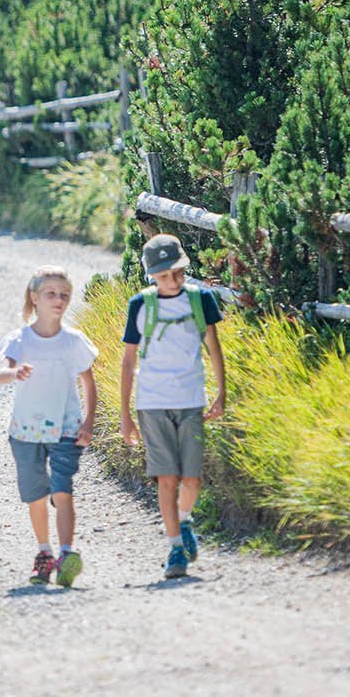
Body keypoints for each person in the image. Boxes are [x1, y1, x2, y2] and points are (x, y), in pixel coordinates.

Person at [118, 233, 227, 580]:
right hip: (152, 403)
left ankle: (185, 520)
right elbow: (127, 360)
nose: (173, 281)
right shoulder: (141, 305)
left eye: (178, 272)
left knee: (191, 478)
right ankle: (175, 547)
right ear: (152, 275)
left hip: (192, 400)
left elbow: (214, 348)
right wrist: (125, 415)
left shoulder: (201, 299)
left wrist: (221, 391)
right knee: (167, 478)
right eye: (164, 276)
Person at [0, 265, 97, 587]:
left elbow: (89, 383)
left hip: (66, 429)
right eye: (51, 293)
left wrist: (89, 422)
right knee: (36, 496)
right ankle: (44, 552)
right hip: (25, 432)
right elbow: (1, 373)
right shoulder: (20, 339)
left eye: (64, 295)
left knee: (63, 491)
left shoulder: (73, 341)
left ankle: (67, 554)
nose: (59, 299)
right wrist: (16, 373)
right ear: (35, 297)